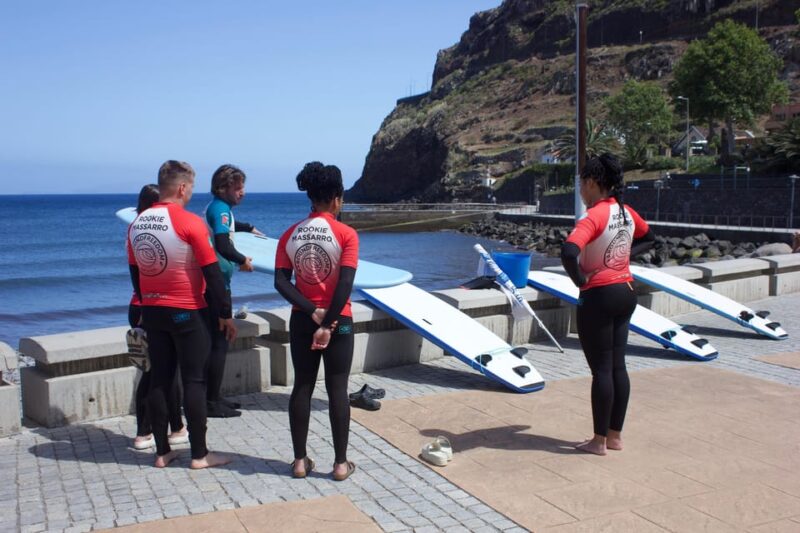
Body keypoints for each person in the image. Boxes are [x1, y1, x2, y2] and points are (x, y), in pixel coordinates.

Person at [127, 160, 237, 469]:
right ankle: (200, 454)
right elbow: (212, 273)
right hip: (188, 312)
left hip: (153, 311)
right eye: (191, 188)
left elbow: (136, 274)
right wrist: (225, 313)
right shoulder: (190, 223)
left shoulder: (137, 224)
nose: (191, 193)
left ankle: (162, 452)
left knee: (160, 379)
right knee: (194, 381)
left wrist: (147, 304)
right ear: (182, 187)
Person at [560, 153, 655, 456]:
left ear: (591, 182)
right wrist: (621, 258)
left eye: (581, 184)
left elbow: (568, 251)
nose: (580, 191)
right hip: (625, 291)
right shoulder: (626, 212)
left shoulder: (595, 216)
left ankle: (598, 442)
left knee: (601, 371)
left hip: (599, 296)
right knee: (617, 367)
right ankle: (614, 437)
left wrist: (581, 280)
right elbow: (650, 238)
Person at [274, 161, 358, 481]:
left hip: (302, 319)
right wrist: (328, 323)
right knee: (337, 388)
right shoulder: (346, 234)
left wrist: (312, 312)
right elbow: (345, 284)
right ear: (337, 198)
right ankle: (340, 465)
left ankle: (299, 461)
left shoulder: (289, 234)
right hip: (340, 320)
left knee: (303, 386)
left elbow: (281, 283)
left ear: (311, 197)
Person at [127, 184, 187, 450]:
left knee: (157, 370)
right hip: (153, 307)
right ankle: (151, 430)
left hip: (141, 305)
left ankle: (170, 427)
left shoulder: (136, 229)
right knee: (160, 372)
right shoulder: (155, 230)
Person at [204, 164, 262, 418]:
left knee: (218, 341)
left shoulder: (219, 208)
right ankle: (210, 402)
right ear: (222, 188)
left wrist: (248, 227)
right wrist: (242, 260)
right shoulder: (220, 209)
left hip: (216, 283)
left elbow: (227, 227)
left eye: (242, 187)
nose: (243, 192)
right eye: (238, 188)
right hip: (216, 285)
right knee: (219, 342)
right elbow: (222, 244)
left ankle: (214, 396)